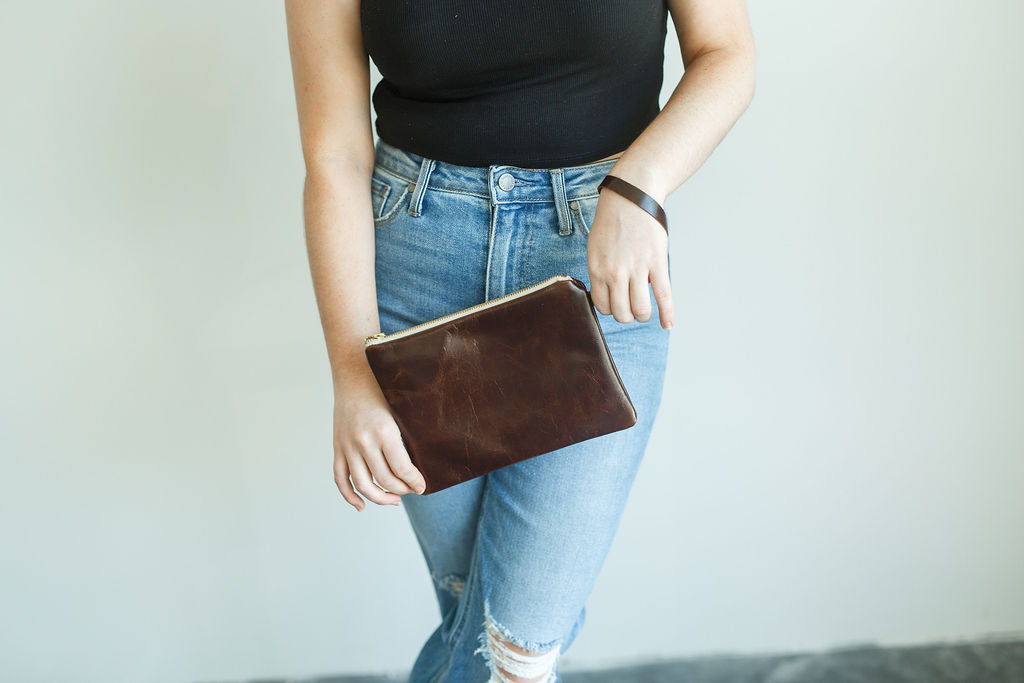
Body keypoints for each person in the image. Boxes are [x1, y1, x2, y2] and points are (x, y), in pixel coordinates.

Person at [284, 1, 756, 681]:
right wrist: (351, 368)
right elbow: (333, 153)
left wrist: (639, 183)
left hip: (599, 257)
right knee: (472, 621)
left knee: (517, 648)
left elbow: (727, 54)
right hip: (416, 267)